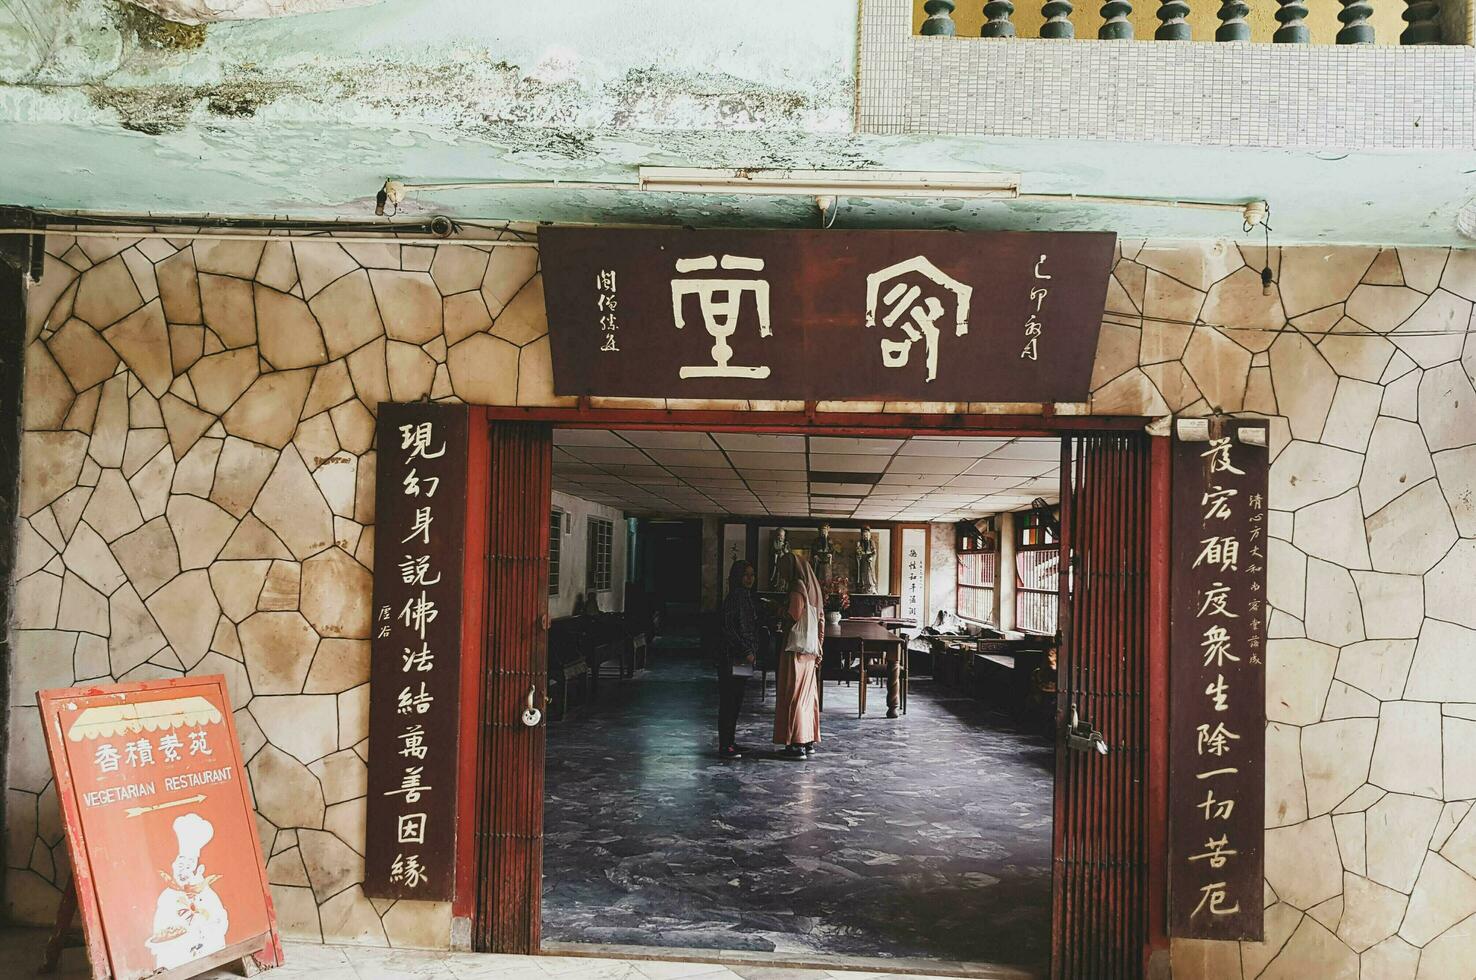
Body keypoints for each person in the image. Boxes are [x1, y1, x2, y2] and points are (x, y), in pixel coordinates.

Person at [775, 554, 824, 758]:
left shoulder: (797, 587)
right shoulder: (815, 589)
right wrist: (819, 647)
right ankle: (808, 740)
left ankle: (796, 744)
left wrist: (776, 609)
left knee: (792, 695)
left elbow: (793, 615)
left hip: (795, 649)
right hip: (810, 650)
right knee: (807, 696)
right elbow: (820, 621)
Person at [718, 560, 758, 759]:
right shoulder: (735, 597)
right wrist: (745, 650)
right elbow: (730, 629)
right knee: (729, 700)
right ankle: (725, 745)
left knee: (737, 700)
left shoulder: (745, 596)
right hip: (733, 656)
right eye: (746, 575)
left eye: (752, 574)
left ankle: (731, 742)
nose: (750, 579)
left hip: (742, 656)